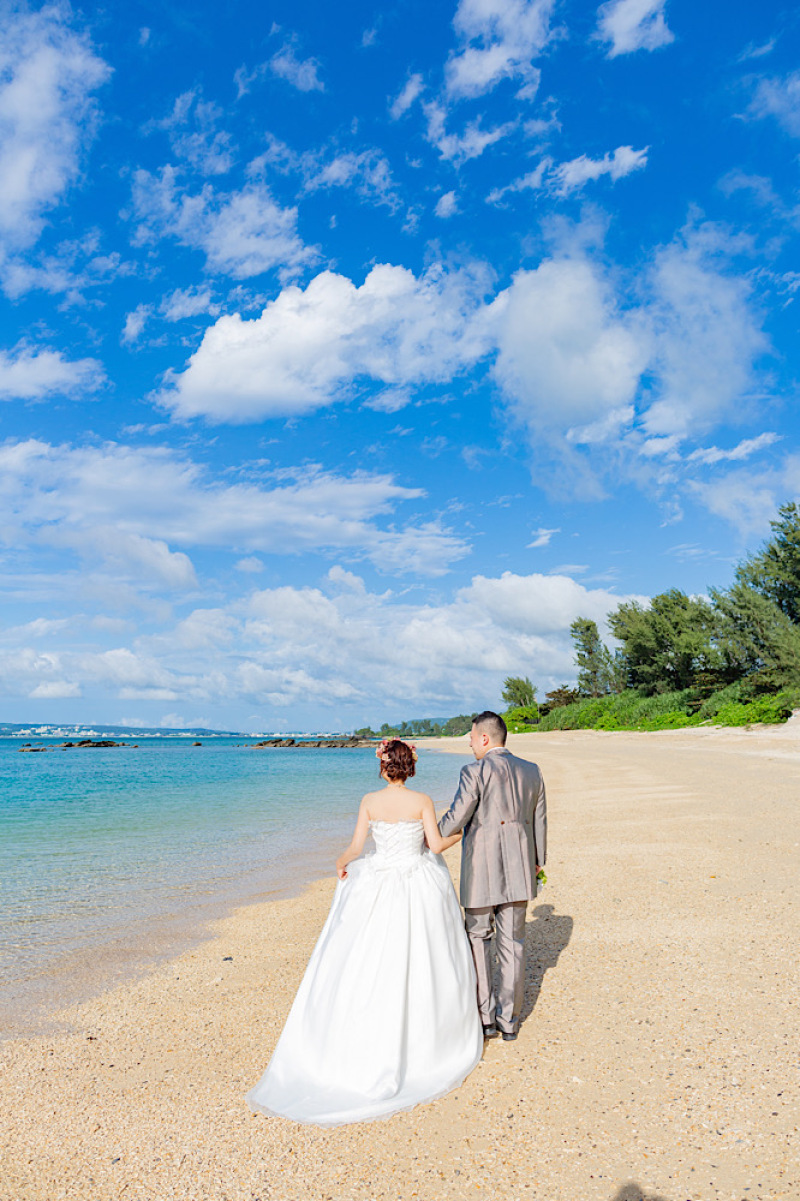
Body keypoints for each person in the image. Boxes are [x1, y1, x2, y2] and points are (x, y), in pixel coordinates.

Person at [246, 739, 483, 1126]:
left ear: (383, 766)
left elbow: (356, 848)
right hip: (418, 880)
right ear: (410, 767)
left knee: (371, 958)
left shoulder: (369, 801)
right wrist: (466, 831)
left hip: (378, 880)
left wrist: (340, 863)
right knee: (424, 957)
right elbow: (436, 845)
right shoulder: (422, 799)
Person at [438, 711, 547, 1042]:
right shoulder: (532, 770)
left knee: (478, 938)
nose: (470, 743)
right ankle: (509, 1020)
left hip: (481, 869)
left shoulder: (474, 771)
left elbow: (458, 815)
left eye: (471, 737)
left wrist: (430, 837)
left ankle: (485, 1018)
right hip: (520, 868)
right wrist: (538, 862)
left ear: (484, 738)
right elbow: (539, 818)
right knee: (512, 943)